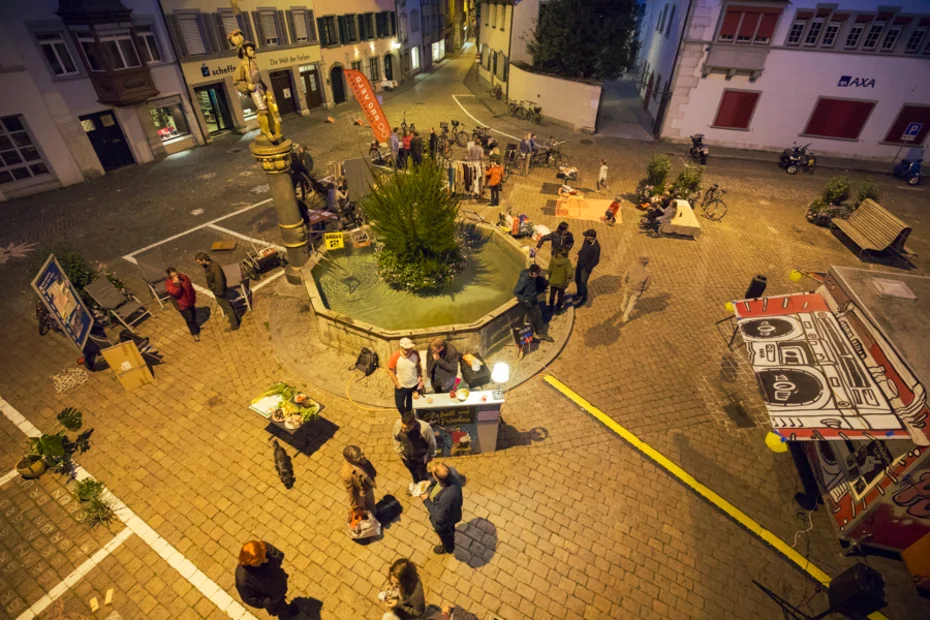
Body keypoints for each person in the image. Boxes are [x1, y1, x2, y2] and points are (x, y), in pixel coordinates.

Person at [235, 541, 297, 618]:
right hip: (272, 600)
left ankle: (285, 606)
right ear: (250, 562)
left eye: (263, 558)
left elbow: (279, 555)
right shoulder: (243, 580)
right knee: (281, 610)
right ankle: (286, 613)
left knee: (282, 597)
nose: (262, 561)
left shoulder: (263, 549)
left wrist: (269, 561)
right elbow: (250, 599)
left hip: (279, 584)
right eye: (258, 562)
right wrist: (269, 601)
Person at [422, 463, 463, 555]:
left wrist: (425, 500)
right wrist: (431, 482)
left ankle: (448, 548)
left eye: (433, 475)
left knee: (446, 535)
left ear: (437, 478)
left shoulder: (446, 498)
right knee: (450, 529)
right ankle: (451, 532)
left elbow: (439, 518)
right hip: (452, 512)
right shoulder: (452, 472)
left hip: (445, 520)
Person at [195, 251, 239, 331]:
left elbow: (220, 282)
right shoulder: (209, 266)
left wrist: (218, 291)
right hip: (217, 290)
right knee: (226, 306)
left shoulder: (214, 268)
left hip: (219, 291)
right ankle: (235, 319)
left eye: (200, 262)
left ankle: (234, 324)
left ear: (204, 260)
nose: (200, 264)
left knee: (227, 307)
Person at [392, 410, 436, 488]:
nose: (403, 430)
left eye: (406, 428)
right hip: (406, 458)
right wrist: (400, 452)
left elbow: (432, 443)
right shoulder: (398, 424)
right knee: (413, 473)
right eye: (402, 427)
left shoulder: (425, 428)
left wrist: (431, 455)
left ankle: (424, 487)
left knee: (422, 474)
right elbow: (396, 438)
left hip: (421, 459)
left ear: (413, 424)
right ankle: (416, 484)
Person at [513, 264, 552, 342]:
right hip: (527, 301)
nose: (538, 275)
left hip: (533, 299)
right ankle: (530, 337)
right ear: (532, 273)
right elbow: (516, 292)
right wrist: (525, 300)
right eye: (537, 274)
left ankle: (541, 334)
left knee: (539, 315)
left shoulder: (534, 277)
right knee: (532, 319)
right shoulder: (524, 280)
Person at [387, 338, 422, 413]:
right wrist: (397, 384)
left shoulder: (415, 354)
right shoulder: (395, 356)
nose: (407, 351)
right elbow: (390, 371)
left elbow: (418, 365)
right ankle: (405, 416)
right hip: (401, 386)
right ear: (401, 348)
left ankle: (409, 416)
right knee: (400, 405)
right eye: (405, 349)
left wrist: (420, 376)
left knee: (410, 404)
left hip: (414, 385)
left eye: (409, 349)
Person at [164, 268, 199, 341]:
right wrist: (177, 285)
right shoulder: (169, 283)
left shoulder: (183, 277)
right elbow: (175, 293)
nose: (176, 277)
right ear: (170, 277)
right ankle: (194, 333)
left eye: (176, 274)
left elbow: (189, 286)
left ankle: (195, 327)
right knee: (189, 319)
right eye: (173, 276)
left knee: (193, 315)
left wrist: (193, 295)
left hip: (190, 301)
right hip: (182, 305)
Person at [341, 445, 377, 516]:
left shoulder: (361, 458)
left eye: (361, 454)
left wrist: (365, 463)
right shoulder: (346, 474)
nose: (362, 457)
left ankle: (374, 515)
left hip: (368, 487)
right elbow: (350, 491)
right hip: (360, 495)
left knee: (371, 505)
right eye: (358, 458)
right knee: (363, 512)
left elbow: (371, 470)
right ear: (350, 460)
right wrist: (354, 507)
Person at [621, 255, 652, 324]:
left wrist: (626, 282)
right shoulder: (647, 272)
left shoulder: (631, 267)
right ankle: (625, 316)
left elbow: (625, 276)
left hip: (629, 287)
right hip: (637, 291)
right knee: (632, 303)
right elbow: (647, 284)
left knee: (626, 297)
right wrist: (643, 289)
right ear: (646, 262)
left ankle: (623, 307)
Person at [574, 230, 600, 307]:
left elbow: (596, 260)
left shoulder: (596, 247)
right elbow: (583, 249)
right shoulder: (586, 240)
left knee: (583, 282)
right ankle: (579, 294)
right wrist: (578, 253)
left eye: (587, 236)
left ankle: (584, 299)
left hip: (586, 268)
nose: (585, 237)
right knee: (577, 279)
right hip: (580, 263)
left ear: (591, 237)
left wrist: (587, 268)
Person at [547, 249, 572, 314]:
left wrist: (550, 277)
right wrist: (567, 281)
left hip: (553, 281)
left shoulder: (553, 259)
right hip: (562, 283)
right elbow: (569, 274)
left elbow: (549, 270)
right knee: (560, 296)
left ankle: (551, 307)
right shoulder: (567, 262)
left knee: (552, 295)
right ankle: (558, 310)